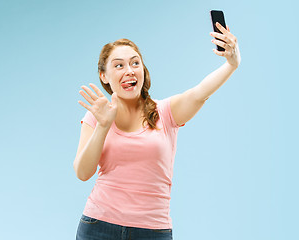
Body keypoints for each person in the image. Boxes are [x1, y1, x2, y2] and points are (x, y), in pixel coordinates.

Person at [74, 22, 241, 240]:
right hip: (98, 226)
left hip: (153, 231)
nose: (129, 71)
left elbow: (199, 93)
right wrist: (104, 125)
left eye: (135, 63)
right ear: (104, 76)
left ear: (143, 70)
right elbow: (83, 172)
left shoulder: (165, 112)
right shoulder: (97, 115)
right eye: (118, 66)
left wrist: (232, 64)